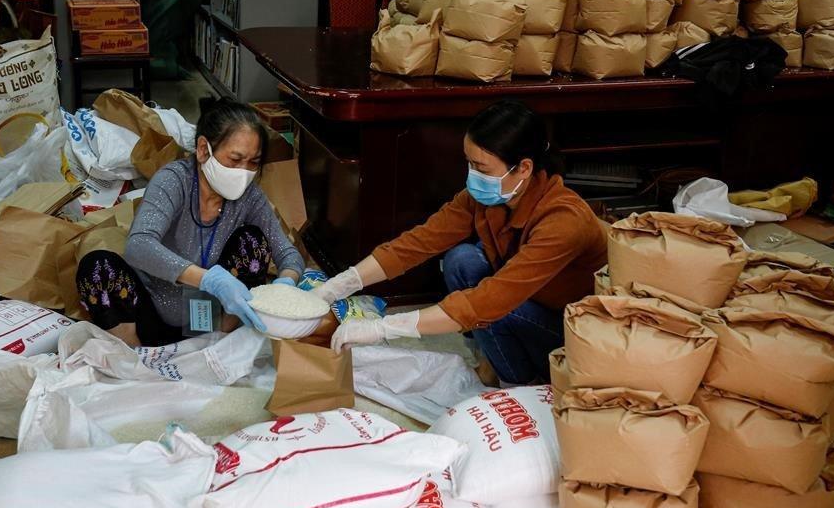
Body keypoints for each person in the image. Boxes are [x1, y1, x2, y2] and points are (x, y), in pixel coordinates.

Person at [316, 100, 607, 384]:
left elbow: (493, 299)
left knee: (496, 309)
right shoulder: (489, 197)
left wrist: (384, 328)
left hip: (571, 330)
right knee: (462, 260)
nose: (473, 176)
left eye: (482, 168)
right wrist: (340, 284)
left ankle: (519, 377)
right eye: (470, 164)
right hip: (526, 297)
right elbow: (418, 243)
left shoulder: (565, 221)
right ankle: (495, 354)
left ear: (524, 168)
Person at [78, 98, 304, 346]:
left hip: (214, 320)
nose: (244, 171)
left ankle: (221, 343)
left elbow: (288, 254)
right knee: (97, 268)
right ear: (203, 150)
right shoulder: (174, 181)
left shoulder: (249, 196)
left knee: (252, 242)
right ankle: (135, 357)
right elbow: (138, 245)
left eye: (253, 162)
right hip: (150, 316)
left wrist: (286, 284)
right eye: (235, 159)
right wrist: (209, 280)